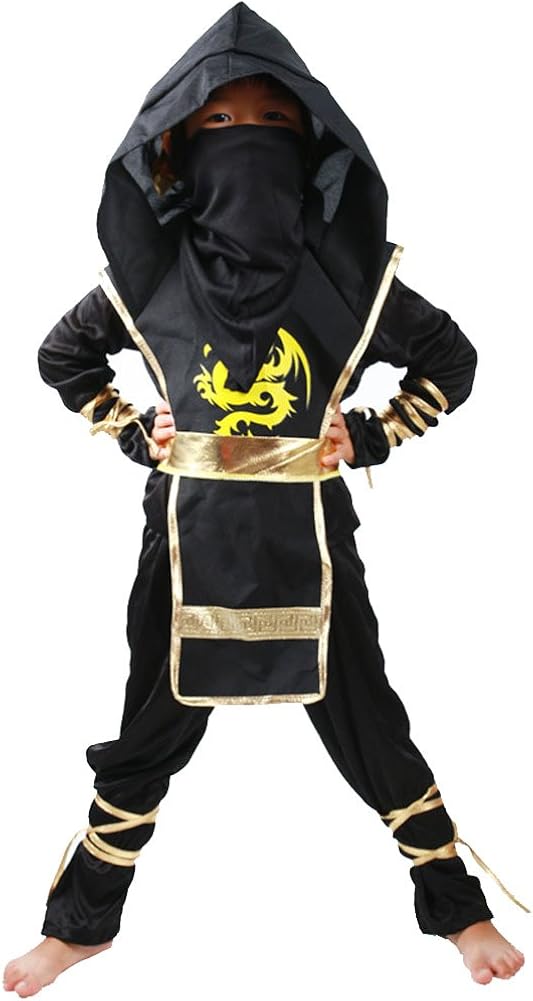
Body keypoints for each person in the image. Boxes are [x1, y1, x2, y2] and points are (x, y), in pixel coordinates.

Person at [3, 4, 527, 996]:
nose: (246, 137)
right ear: (176, 146)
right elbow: (61, 357)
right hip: (185, 539)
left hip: (309, 540)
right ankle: (81, 925)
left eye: (272, 123)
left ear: (312, 144)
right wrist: (132, 429)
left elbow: (451, 360)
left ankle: (457, 910)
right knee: (145, 734)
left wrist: (371, 431)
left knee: (370, 723)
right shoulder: (149, 280)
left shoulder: (346, 281)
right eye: (220, 123)